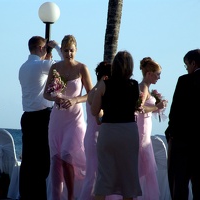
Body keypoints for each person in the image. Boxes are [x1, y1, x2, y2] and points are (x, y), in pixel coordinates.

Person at [43, 34, 93, 200]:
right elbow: (46, 94)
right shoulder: (55, 68)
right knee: (56, 160)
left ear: (76, 50)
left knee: (66, 155)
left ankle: (71, 196)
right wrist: (55, 97)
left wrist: (75, 100)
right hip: (57, 119)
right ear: (62, 50)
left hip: (75, 120)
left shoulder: (82, 68)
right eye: (65, 50)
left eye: (71, 50)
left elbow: (91, 94)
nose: (68, 53)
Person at [91, 50, 142, 200]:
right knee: (129, 177)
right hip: (128, 131)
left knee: (104, 176)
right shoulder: (134, 85)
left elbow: (94, 110)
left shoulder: (105, 85)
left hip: (109, 131)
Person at [18, 36, 62, 200]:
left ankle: (26, 194)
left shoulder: (23, 67)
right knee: (42, 160)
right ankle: (38, 195)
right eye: (45, 48)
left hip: (27, 116)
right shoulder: (40, 65)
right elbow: (65, 64)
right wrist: (56, 46)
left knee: (29, 159)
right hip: (42, 116)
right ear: (41, 48)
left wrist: (48, 54)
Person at [165, 49, 200, 200]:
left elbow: (175, 111)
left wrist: (170, 133)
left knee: (179, 184)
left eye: (186, 64)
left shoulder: (184, 81)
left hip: (182, 140)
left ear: (193, 63)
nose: (186, 68)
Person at [78, 61, 111, 200]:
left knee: (95, 175)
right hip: (94, 138)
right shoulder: (98, 92)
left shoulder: (93, 91)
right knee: (92, 176)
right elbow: (98, 117)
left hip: (92, 136)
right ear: (106, 77)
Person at [134, 57, 167, 200]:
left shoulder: (146, 87)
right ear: (149, 73)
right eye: (157, 74)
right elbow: (139, 108)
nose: (159, 77)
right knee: (144, 167)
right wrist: (156, 107)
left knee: (146, 169)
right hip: (141, 132)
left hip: (145, 130)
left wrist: (156, 108)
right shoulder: (143, 87)